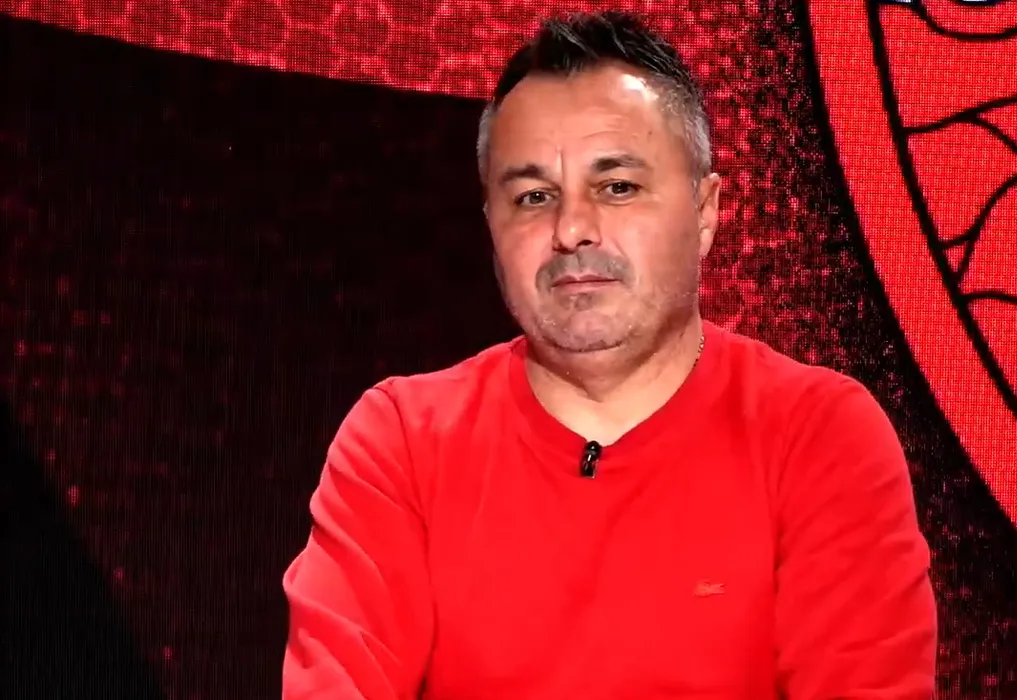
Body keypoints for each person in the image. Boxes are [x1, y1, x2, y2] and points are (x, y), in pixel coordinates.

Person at [281, 10, 936, 700]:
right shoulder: (401, 443)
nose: (571, 229)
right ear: (490, 225)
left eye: (617, 187)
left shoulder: (819, 436)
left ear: (706, 210)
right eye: (533, 197)